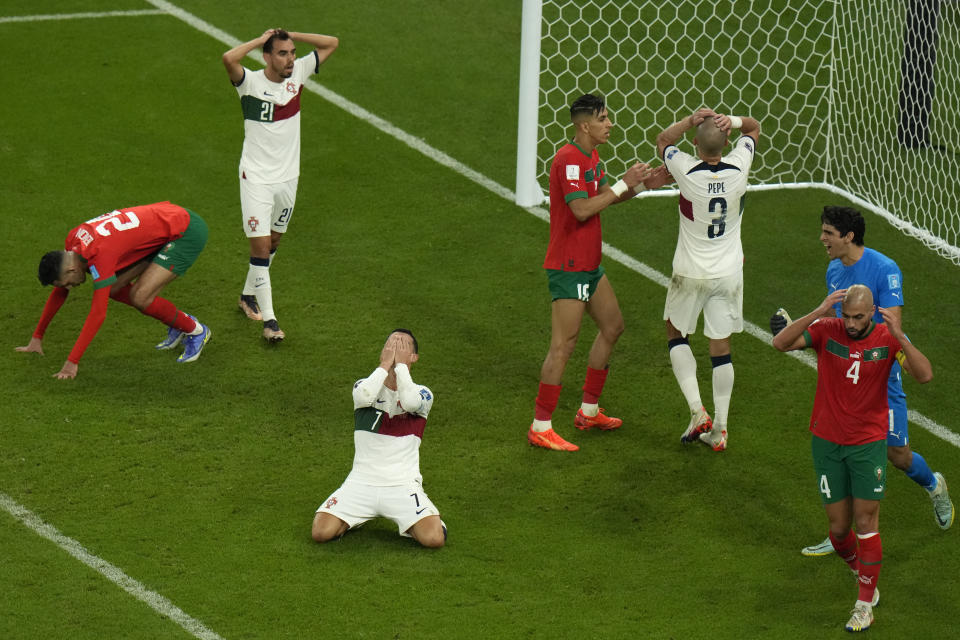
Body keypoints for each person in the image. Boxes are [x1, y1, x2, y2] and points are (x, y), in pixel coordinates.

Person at [771, 205, 953, 556]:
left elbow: (888, 328)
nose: (822, 239)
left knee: (898, 455)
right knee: (841, 452)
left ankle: (934, 486)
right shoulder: (834, 270)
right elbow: (842, 329)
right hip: (846, 380)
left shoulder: (885, 269)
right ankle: (841, 532)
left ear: (848, 236)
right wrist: (809, 334)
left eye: (828, 233)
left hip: (880, 375)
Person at [773, 285, 933, 632]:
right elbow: (780, 343)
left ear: (872, 312)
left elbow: (924, 375)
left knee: (865, 522)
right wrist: (818, 311)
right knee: (839, 529)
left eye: (858, 317)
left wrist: (900, 336)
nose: (850, 323)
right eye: (846, 316)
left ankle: (864, 604)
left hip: (867, 444)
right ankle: (862, 574)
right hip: (827, 442)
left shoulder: (887, 340)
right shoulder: (828, 330)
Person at [528, 93, 670, 452]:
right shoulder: (568, 161)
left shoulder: (591, 156)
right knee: (563, 345)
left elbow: (606, 195)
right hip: (569, 266)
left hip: (589, 265)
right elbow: (580, 210)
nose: (610, 124)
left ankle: (588, 411)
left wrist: (641, 186)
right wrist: (624, 183)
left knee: (613, 326)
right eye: (604, 119)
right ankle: (540, 425)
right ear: (584, 125)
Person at [222, 28, 339, 342]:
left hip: (288, 177)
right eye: (283, 53)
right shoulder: (249, 82)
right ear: (267, 57)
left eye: (292, 53)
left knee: (273, 243)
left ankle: (247, 296)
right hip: (256, 179)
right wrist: (262, 39)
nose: (290, 60)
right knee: (259, 247)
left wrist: (292, 35)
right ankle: (270, 321)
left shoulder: (298, 73)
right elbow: (228, 58)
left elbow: (332, 42)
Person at [655, 108, 760, 451]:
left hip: (690, 271)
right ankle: (721, 429)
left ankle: (697, 410)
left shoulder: (685, 169)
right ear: (728, 141)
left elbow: (663, 141)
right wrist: (734, 120)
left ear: (696, 146)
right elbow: (755, 127)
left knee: (675, 331)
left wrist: (689, 121)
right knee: (721, 347)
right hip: (728, 274)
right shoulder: (740, 165)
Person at [16, 202, 211, 379]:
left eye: (66, 282)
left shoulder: (100, 255)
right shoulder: (73, 241)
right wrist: (37, 338)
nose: (69, 287)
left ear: (71, 269)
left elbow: (98, 314)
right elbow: (60, 292)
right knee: (114, 288)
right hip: (162, 226)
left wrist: (71, 363)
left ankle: (196, 331)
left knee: (141, 297)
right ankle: (178, 324)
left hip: (186, 231)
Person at [311, 329, 446, 548]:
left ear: (414, 357)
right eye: (391, 345)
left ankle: (425, 520)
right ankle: (355, 518)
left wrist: (400, 367)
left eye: (402, 347)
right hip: (360, 483)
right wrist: (384, 367)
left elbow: (410, 403)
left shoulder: (423, 393)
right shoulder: (364, 386)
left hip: (402, 484)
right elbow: (363, 396)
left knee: (434, 539)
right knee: (320, 532)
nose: (395, 349)